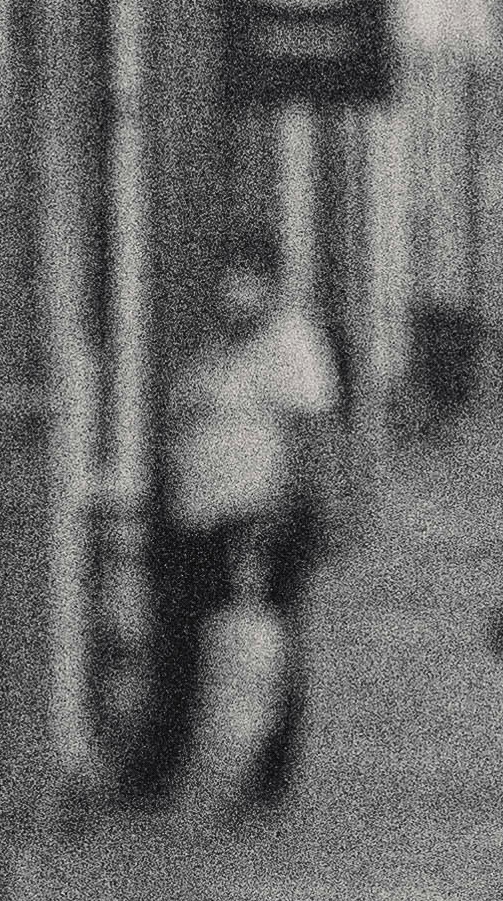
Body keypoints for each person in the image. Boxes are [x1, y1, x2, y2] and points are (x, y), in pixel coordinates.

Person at [117, 230, 350, 817]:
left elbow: (312, 439)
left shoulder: (292, 344)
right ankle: (161, 764)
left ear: (268, 282)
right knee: (180, 640)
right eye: (227, 277)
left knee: (266, 646)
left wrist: (297, 516)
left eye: (246, 277)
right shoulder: (213, 347)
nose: (233, 290)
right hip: (197, 520)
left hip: (259, 520)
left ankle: (266, 772)